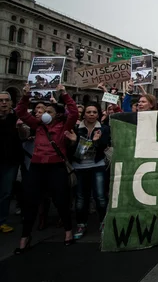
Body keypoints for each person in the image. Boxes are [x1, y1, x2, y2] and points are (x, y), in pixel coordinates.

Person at [14, 84, 78, 253]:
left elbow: (74, 113)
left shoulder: (63, 127)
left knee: (61, 200)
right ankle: (25, 237)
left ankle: (68, 231)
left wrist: (64, 94)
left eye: (50, 111)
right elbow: (20, 112)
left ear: (57, 114)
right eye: (44, 111)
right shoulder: (37, 126)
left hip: (56, 167)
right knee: (30, 202)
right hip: (36, 168)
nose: (45, 114)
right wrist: (25, 96)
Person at [66, 102, 111, 239]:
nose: (91, 114)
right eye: (88, 112)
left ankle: (104, 222)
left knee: (100, 197)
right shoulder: (76, 129)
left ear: (98, 114)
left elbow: (105, 147)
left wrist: (97, 141)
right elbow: (69, 151)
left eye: (94, 112)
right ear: (84, 114)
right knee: (80, 198)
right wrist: (73, 142)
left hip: (97, 165)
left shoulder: (104, 129)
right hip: (79, 167)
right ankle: (81, 223)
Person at [0, 91, 22, 233]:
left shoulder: (16, 118)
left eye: (6, 100)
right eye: (1, 100)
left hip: (11, 161)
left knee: (6, 193)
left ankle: (2, 221)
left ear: (11, 102)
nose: (4, 103)